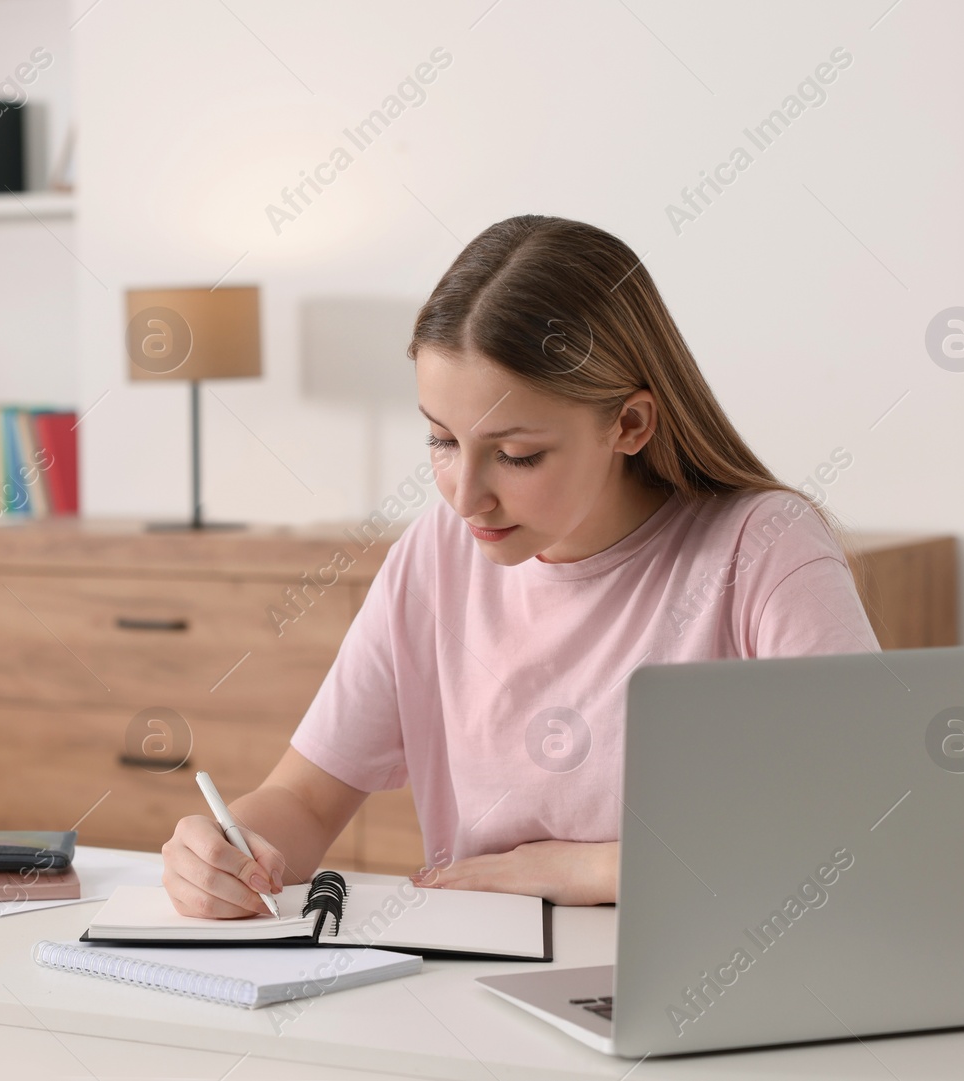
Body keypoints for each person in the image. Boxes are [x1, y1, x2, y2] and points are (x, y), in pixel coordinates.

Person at [160, 214, 878, 917]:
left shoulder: (765, 545)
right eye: (441, 440)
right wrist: (231, 849)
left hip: (706, 964)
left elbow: (872, 815)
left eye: (516, 454)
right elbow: (306, 800)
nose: (465, 495)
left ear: (629, 424)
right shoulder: (435, 554)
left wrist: (600, 868)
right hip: (478, 979)